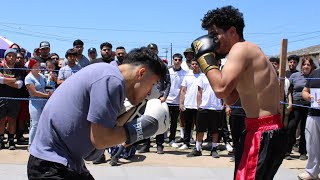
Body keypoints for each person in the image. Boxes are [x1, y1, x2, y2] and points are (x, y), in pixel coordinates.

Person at [27, 47, 169, 179]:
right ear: (141, 73)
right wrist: (144, 128)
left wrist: (137, 107)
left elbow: (102, 139)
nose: (150, 92)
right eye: (152, 83)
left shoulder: (107, 74)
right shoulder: (111, 80)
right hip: (51, 165)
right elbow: (101, 139)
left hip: (62, 162)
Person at [191, 5, 287, 180]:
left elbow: (219, 90)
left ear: (232, 31)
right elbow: (230, 97)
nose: (212, 40)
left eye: (214, 34)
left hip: (262, 131)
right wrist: (217, 68)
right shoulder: (248, 51)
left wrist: (204, 60)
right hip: (261, 129)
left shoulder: (240, 49)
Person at [285, 57, 316, 161]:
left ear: (311, 66)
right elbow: (289, 90)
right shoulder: (295, 75)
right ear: (301, 65)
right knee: (291, 127)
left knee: (304, 129)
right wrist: (290, 102)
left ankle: (303, 152)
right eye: (304, 64)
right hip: (296, 104)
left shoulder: (314, 76)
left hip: (309, 105)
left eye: (308, 64)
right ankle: (287, 151)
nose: (306, 66)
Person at [25, 58, 52, 147]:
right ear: (31, 67)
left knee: (43, 123)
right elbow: (34, 92)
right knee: (35, 124)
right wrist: (47, 95)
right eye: (35, 65)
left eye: (38, 65)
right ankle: (31, 144)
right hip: (34, 102)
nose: (37, 67)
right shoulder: (28, 78)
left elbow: (47, 86)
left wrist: (50, 89)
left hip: (44, 102)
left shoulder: (42, 76)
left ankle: (41, 143)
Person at [299, 64, 320, 179]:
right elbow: (305, 90)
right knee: (312, 145)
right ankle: (312, 172)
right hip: (313, 114)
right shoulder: (314, 73)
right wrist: (309, 96)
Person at [166, 53, 187, 148]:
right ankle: (162, 139)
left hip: (177, 102)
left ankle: (172, 139)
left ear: (181, 61)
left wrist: (182, 102)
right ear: (173, 60)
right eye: (175, 59)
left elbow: (184, 89)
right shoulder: (168, 71)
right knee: (164, 121)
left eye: (179, 60)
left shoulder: (185, 73)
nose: (177, 61)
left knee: (174, 122)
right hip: (166, 101)